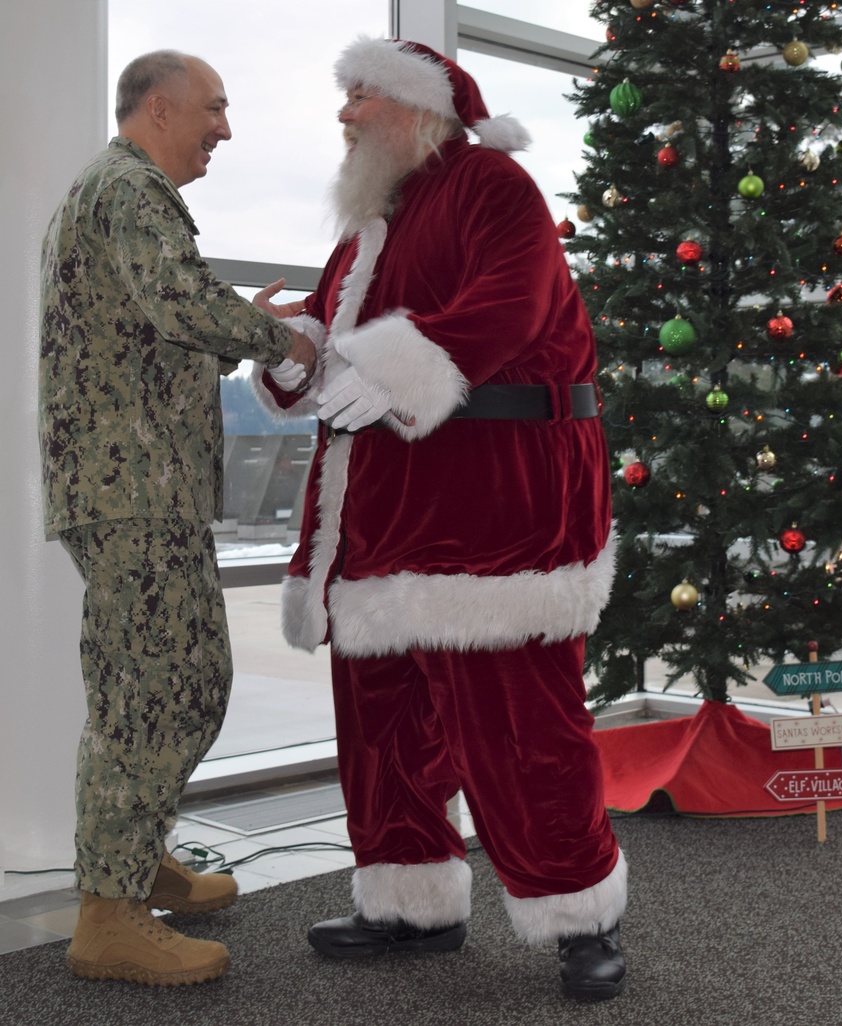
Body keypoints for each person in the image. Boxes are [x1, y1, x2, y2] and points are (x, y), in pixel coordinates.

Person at [252, 36, 626, 1002]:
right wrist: (294, 351)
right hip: (381, 518)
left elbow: (510, 305)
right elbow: (334, 339)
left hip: (495, 519)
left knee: (519, 730)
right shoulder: (372, 220)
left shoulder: (496, 188)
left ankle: (580, 914)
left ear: (417, 108)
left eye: (359, 97)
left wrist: (392, 366)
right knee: (382, 728)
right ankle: (410, 903)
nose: (343, 116)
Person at [38, 49, 317, 987]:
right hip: (133, 493)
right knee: (163, 686)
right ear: (161, 109)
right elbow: (178, 300)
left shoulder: (110, 191)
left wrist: (235, 322)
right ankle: (108, 916)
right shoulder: (133, 191)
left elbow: (151, 326)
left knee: (153, 684)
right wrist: (288, 337)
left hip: (133, 489)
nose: (226, 130)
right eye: (216, 110)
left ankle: (130, 865)